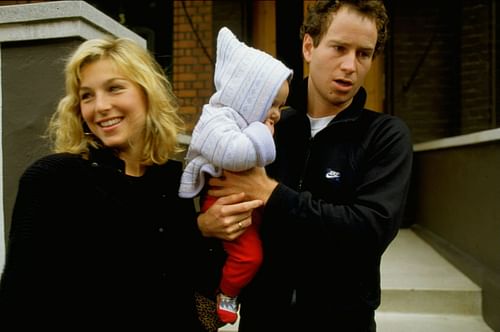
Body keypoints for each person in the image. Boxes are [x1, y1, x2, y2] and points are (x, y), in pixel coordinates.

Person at [198, 1, 414, 331]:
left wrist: (270, 193)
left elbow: (368, 232)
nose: (350, 65)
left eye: (363, 54)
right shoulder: (264, 129)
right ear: (309, 46)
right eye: (339, 48)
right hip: (262, 320)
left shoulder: (385, 135)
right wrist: (206, 226)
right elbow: (215, 199)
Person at [0, 36, 229, 330]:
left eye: (114, 88)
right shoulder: (54, 179)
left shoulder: (170, 181)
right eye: (87, 96)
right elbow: (17, 303)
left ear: (147, 93)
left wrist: (210, 231)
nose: (101, 106)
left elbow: (189, 285)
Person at [178, 26, 293, 325]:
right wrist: (261, 132)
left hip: (242, 201)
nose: (277, 114)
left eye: (281, 106)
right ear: (249, 96)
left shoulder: (242, 121)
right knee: (249, 256)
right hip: (222, 204)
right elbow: (234, 154)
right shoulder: (217, 118)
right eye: (273, 104)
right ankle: (227, 294)